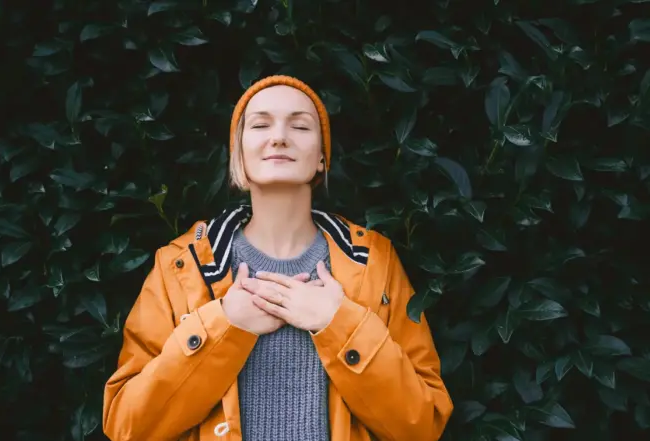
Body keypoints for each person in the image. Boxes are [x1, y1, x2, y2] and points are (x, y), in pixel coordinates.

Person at [102, 75, 453, 441]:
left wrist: (339, 324)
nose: (280, 136)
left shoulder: (373, 262)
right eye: (260, 124)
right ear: (239, 153)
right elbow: (128, 426)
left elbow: (423, 424)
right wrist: (224, 325)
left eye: (300, 125)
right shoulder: (181, 266)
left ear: (321, 156)